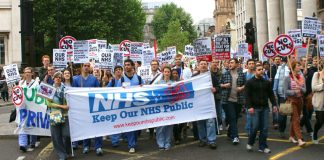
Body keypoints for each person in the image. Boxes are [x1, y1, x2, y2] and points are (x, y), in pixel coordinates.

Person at [245, 64, 278, 153]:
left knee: (264, 128)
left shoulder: (266, 82)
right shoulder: (249, 82)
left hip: (265, 108)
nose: (261, 71)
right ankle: (250, 142)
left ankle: (263, 146)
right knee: (255, 127)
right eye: (259, 69)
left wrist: (274, 105)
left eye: (262, 69)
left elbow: (271, 94)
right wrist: (249, 107)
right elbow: (247, 96)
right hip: (254, 108)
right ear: (255, 71)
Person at [72, 62, 103, 156]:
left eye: (88, 66)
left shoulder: (93, 79)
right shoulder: (76, 79)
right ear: (81, 67)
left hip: (93, 106)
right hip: (82, 108)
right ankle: (86, 145)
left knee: (96, 126)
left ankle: (98, 146)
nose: (86, 67)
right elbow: (73, 93)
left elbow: (98, 92)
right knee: (85, 127)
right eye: (84, 66)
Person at [220, 58, 246, 145]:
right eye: (229, 63)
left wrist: (242, 88)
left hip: (238, 100)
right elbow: (219, 85)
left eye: (232, 62)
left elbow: (246, 84)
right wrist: (224, 85)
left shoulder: (241, 74)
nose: (230, 64)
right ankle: (235, 137)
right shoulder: (225, 74)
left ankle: (229, 132)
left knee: (235, 118)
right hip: (228, 100)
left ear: (237, 64)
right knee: (232, 117)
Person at [46, 72, 71, 160]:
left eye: (59, 77)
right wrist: (61, 106)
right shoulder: (49, 89)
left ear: (62, 79)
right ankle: (62, 155)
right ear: (53, 78)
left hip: (65, 114)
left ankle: (67, 151)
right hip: (55, 114)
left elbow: (70, 100)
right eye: (56, 77)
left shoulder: (66, 88)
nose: (58, 79)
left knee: (66, 135)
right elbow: (48, 103)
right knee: (56, 136)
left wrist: (67, 105)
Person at [122, 59, 144, 153]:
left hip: (137, 106)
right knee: (129, 125)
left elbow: (144, 89)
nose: (126, 66)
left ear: (132, 66)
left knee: (136, 127)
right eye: (125, 65)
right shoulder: (122, 79)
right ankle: (131, 145)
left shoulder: (138, 78)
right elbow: (117, 91)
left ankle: (133, 141)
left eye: (128, 65)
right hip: (127, 106)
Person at [195, 60, 217, 149]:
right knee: (200, 122)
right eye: (201, 64)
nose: (203, 65)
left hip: (209, 103)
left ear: (207, 66)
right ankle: (203, 140)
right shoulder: (194, 77)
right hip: (199, 103)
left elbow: (218, 86)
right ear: (198, 66)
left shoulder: (211, 76)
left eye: (205, 64)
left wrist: (215, 89)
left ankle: (211, 140)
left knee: (210, 122)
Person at [284, 61, 306, 146]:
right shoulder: (287, 78)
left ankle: (291, 136)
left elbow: (305, 90)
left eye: (299, 65)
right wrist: (294, 91)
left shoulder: (301, 77)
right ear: (293, 67)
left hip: (299, 100)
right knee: (296, 118)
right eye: (298, 65)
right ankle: (300, 139)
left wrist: (300, 88)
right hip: (291, 100)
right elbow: (285, 91)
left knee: (295, 119)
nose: (299, 67)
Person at [153, 66, 174, 150]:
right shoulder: (158, 83)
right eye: (165, 72)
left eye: (168, 72)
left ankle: (167, 142)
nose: (167, 73)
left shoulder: (173, 82)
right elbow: (151, 90)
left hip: (170, 107)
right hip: (160, 107)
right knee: (160, 126)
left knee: (169, 126)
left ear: (170, 73)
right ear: (163, 73)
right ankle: (160, 143)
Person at [18, 67, 38, 152]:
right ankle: (23, 144)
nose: (27, 74)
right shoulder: (20, 83)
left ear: (32, 73)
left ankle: (32, 141)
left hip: (32, 107)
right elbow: (18, 94)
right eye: (25, 72)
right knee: (22, 124)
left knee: (32, 124)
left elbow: (38, 94)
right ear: (23, 73)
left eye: (29, 72)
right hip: (23, 107)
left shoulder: (36, 83)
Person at [300, 57, 318, 135]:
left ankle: (300, 125)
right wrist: (304, 74)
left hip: (311, 94)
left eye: (306, 61)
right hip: (303, 94)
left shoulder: (313, 70)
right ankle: (310, 130)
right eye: (303, 61)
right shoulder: (301, 71)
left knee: (309, 113)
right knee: (306, 113)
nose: (305, 62)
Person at [107, 66, 123, 148]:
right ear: (114, 72)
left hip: (123, 104)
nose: (118, 71)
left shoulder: (125, 80)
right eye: (116, 70)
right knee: (115, 122)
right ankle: (114, 140)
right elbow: (106, 91)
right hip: (114, 105)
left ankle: (125, 137)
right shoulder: (112, 81)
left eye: (120, 70)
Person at [273, 57, 290, 137]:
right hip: (284, 95)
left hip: (292, 95)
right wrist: (275, 91)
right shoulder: (283, 69)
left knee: (285, 114)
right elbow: (277, 80)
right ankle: (281, 130)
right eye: (293, 58)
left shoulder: (296, 69)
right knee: (283, 114)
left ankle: (283, 129)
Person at [311, 59, 324, 144]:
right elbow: (314, 87)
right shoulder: (317, 74)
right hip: (320, 102)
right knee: (320, 121)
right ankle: (315, 134)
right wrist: (323, 85)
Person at [210, 59, 222, 134]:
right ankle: (214, 128)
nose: (214, 63)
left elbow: (220, 85)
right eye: (213, 62)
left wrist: (217, 88)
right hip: (209, 96)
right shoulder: (208, 74)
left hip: (217, 96)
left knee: (218, 113)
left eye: (216, 62)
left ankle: (219, 124)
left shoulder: (221, 73)